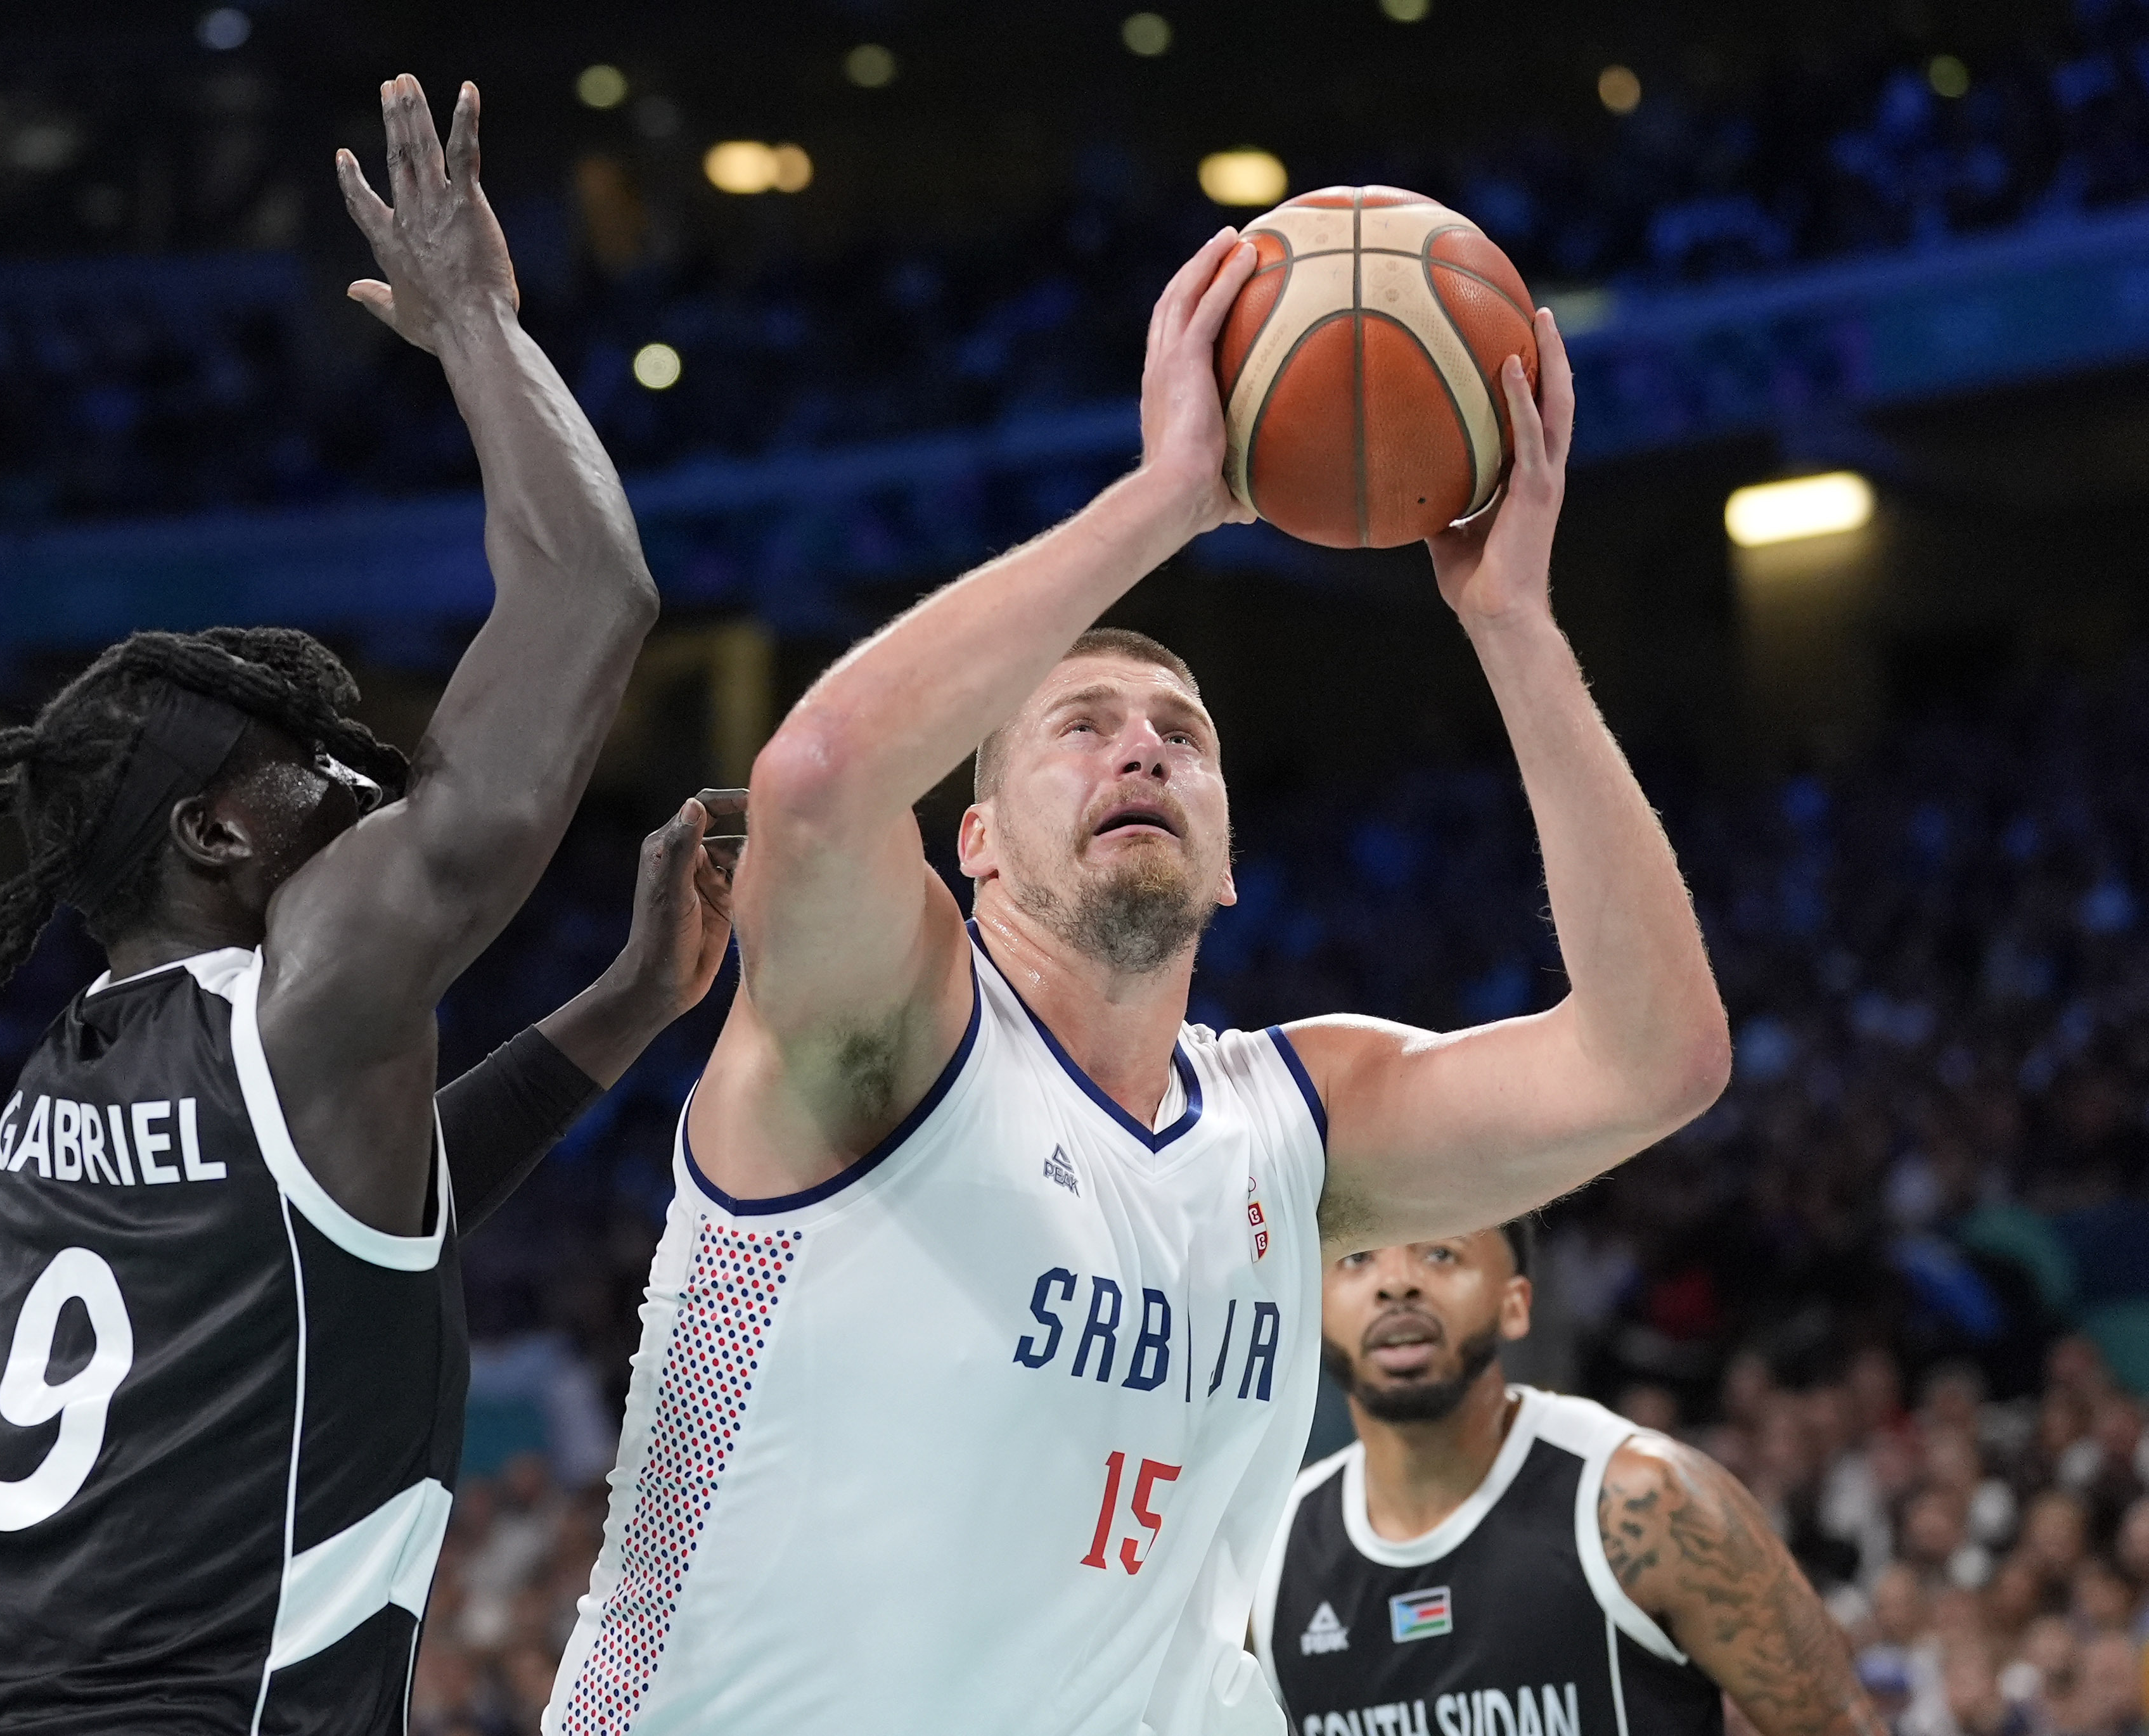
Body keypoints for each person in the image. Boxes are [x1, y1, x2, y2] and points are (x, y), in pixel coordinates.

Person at [546, 233, 1731, 1735]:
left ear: (1231, 859)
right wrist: (1174, 495)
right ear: (969, 841)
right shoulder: (888, 1032)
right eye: (1083, 724)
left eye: (1184, 732)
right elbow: (824, 773)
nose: (1144, 747)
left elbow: (1657, 1061)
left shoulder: (1288, 1123)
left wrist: (1514, 625)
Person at [0, 73, 699, 1733]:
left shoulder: (76, 1074)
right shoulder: (302, 998)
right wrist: (472, 326)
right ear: (220, 835)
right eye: (318, 762)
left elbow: (372, 1206)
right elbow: (593, 591)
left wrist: (621, 1007)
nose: (370, 784)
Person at [1254, 1225, 1882, 1736]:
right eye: (1358, 1257)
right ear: (1314, 1303)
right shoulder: (1262, 1555)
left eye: (1440, 1253)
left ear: (1516, 1302)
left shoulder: (1649, 1503)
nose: (1397, 1284)